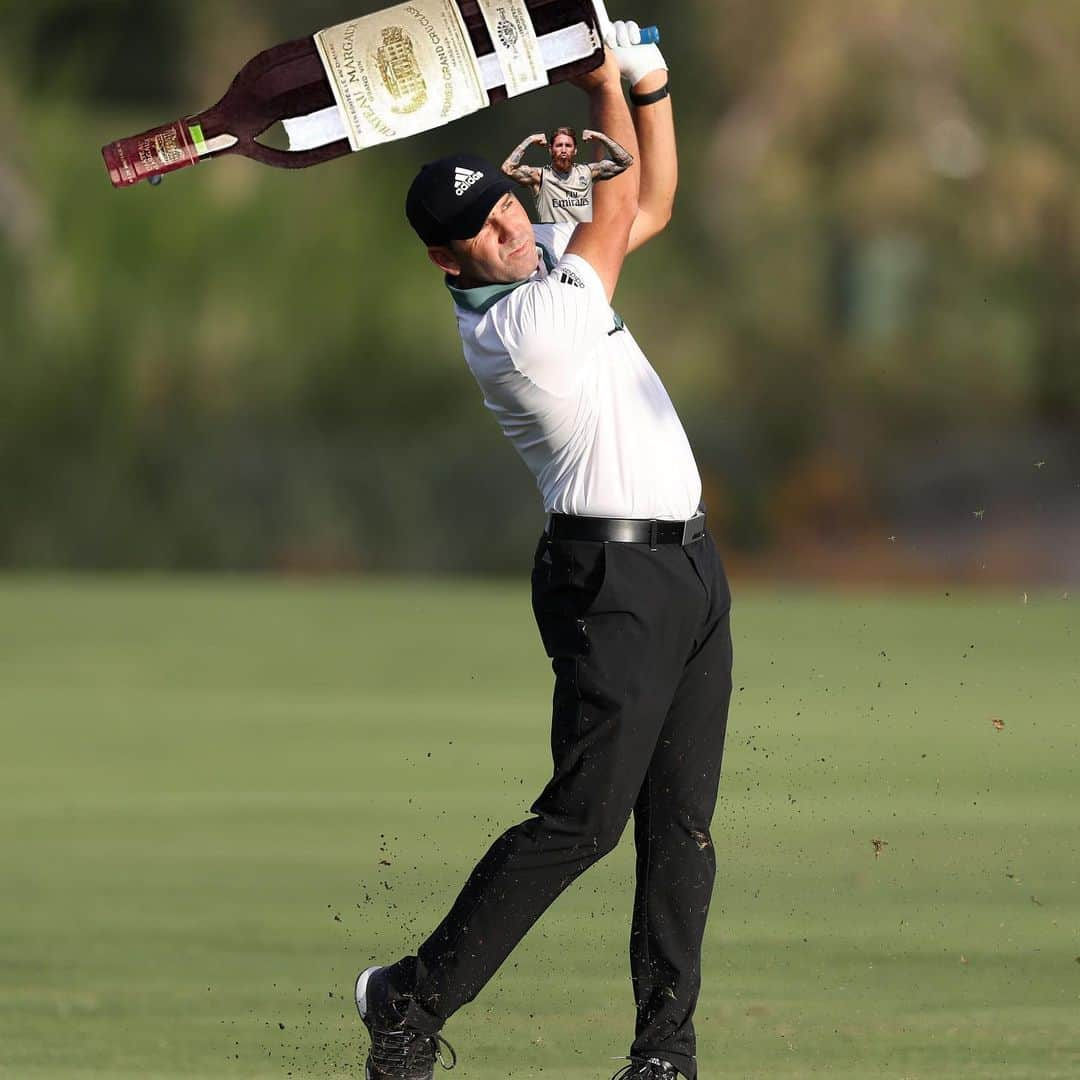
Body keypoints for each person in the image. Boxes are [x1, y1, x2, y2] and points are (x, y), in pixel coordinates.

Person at [355, 21, 732, 1080]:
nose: (512, 227)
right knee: (583, 824)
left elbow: (645, 203)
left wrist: (646, 90)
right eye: (485, 227)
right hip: (611, 582)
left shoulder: (544, 262)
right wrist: (608, 79)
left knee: (682, 831)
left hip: (692, 573)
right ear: (447, 257)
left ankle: (664, 1055)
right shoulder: (523, 329)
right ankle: (409, 1000)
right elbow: (614, 207)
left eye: (511, 206)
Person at [502, 125, 634, 223]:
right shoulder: (539, 176)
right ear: (550, 150)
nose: (563, 150)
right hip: (554, 244)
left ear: (575, 150)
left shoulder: (588, 172)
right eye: (559, 145)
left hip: (581, 244)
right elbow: (508, 168)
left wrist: (601, 137)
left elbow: (625, 162)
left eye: (568, 146)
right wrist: (530, 140)